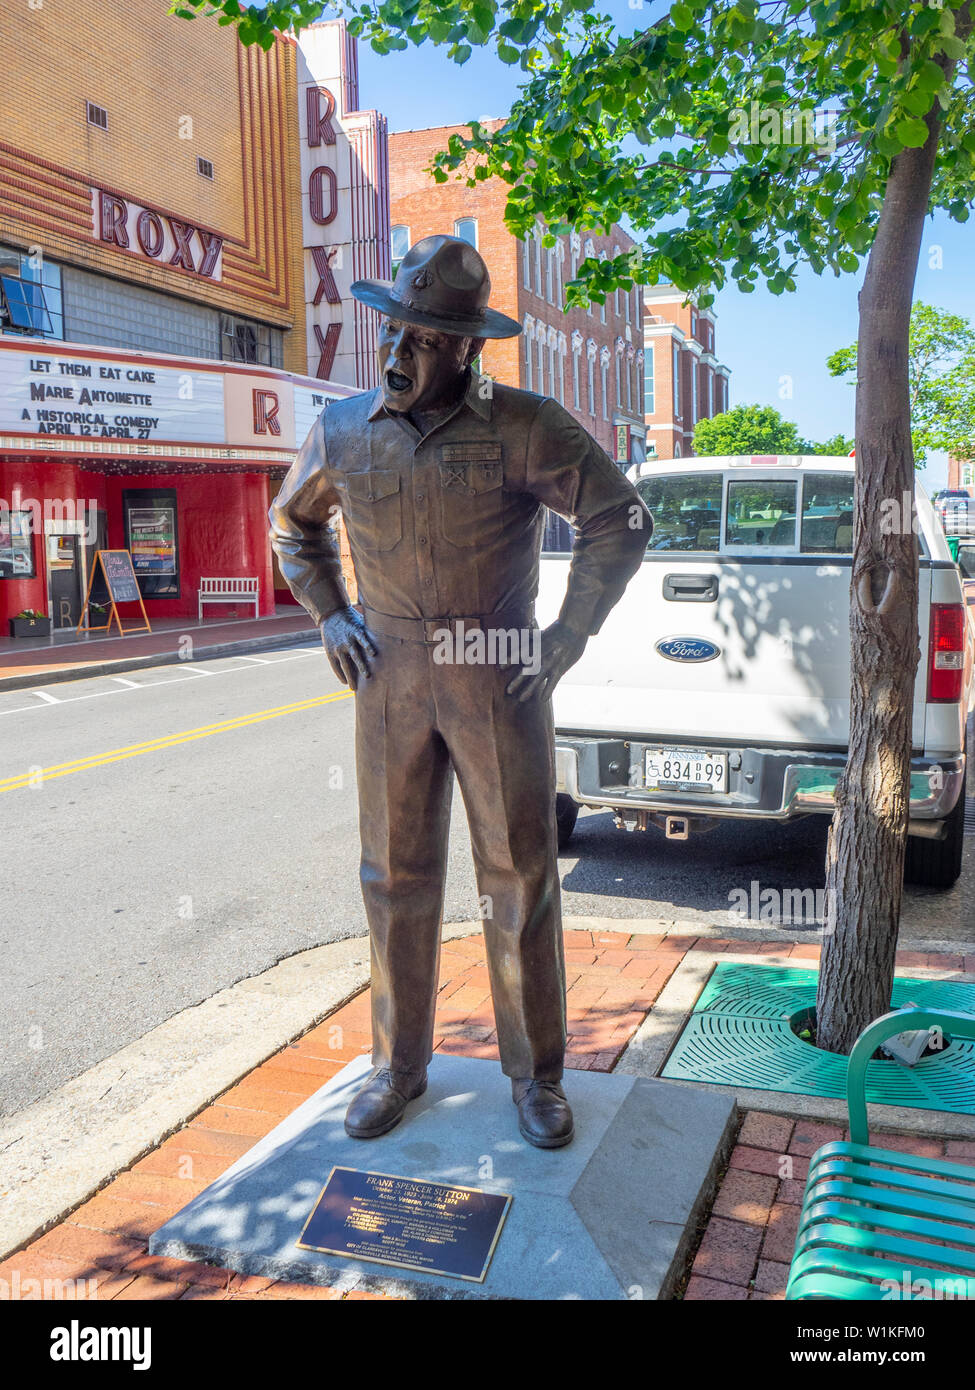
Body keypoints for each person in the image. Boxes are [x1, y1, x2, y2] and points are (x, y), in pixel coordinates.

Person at [269, 234, 650, 1148]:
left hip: (498, 677)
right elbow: (293, 527)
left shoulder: (527, 424)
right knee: (393, 875)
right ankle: (396, 1067)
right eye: (394, 332)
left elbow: (620, 519)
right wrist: (330, 614)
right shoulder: (342, 430)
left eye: (425, 340)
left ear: (469, 347)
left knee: (517, 877)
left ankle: (536, 1075)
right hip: (388, 676)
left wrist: (565, 635)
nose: (400, 354)